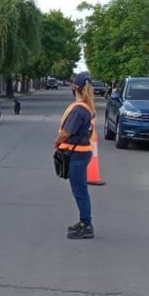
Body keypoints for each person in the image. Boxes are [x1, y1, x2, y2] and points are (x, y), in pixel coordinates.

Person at [55, 73, 96, 239]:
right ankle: (84, 222)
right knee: (80, 190)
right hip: (81, 152)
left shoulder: (79, 110)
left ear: (74, 88)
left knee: (80, 191)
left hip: (76, 153)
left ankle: (86, 225)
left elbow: (66, 132)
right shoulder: (86, 107)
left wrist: (56, 142)